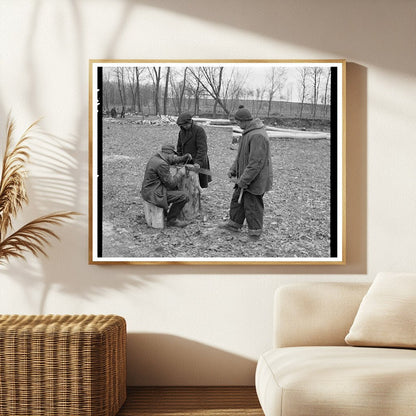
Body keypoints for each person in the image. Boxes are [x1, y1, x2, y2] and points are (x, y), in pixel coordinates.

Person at [219, 107, 273, 241]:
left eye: (237, 122)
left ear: (244, 121)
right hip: (245, 176)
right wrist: (233, 169)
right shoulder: (247, 132)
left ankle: (254, 234)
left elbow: (256, 163)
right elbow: (241, 156)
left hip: (255, 179)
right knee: (237, 200)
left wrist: (244, 180)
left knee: (252, 205)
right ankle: (234, 224)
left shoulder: (257, 135)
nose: (237, 124)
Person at [141, 143, 192, 227]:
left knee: (175, 189)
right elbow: (171, 183)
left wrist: (184, 157)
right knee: (184, 196)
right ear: (168, 153)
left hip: (149, 190)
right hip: (154, 194)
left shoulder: (156, 158)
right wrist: (180, 173)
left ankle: (165, 212)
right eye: (173, 155)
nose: (173, 157)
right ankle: (171, 220)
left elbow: (172, 160)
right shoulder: (162, 164)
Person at [176, 112, 212, 188]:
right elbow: (179, 146)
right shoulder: (181, 132)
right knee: (186, 182)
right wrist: (179, 159)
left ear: (190, 122)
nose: (184, 126)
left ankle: (198, 195)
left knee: (198, 183)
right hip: (186, 160)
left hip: (198, 159)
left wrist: (198, 162)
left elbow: (202, 148)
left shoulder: (199, 130)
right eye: (182, 125)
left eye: (186, 125)